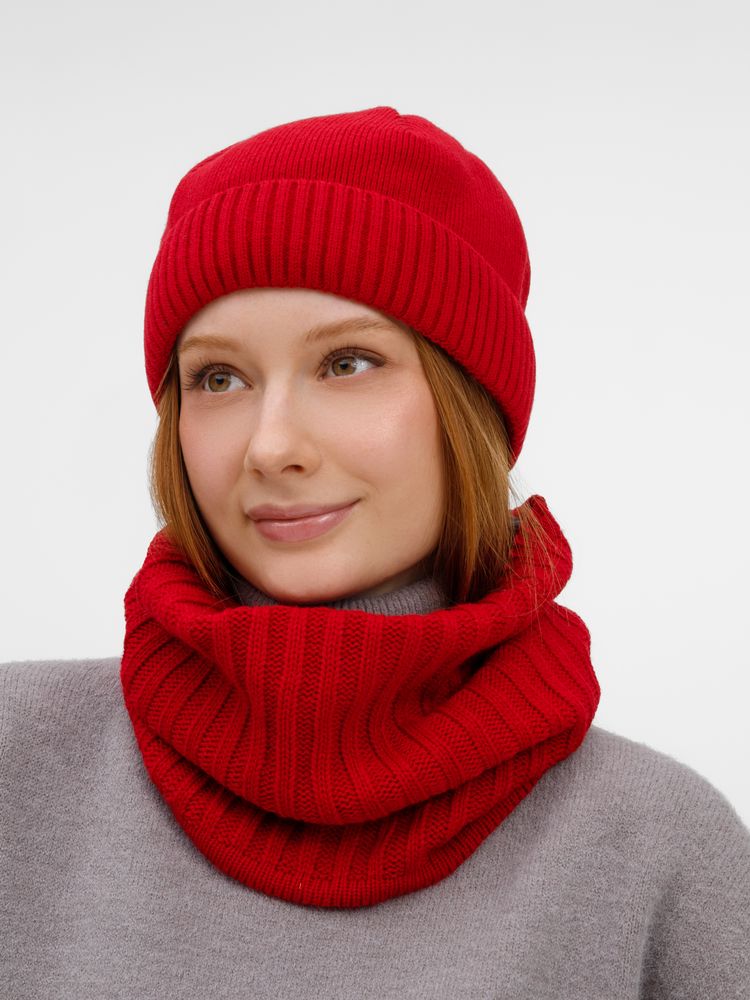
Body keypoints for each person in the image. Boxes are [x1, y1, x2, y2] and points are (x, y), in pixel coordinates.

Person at [1, 105, 748, 999]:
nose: (271, 446)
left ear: (470, 405)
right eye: (218, 378)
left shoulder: (659, 850)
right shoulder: (18, 759)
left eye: (347, 363)